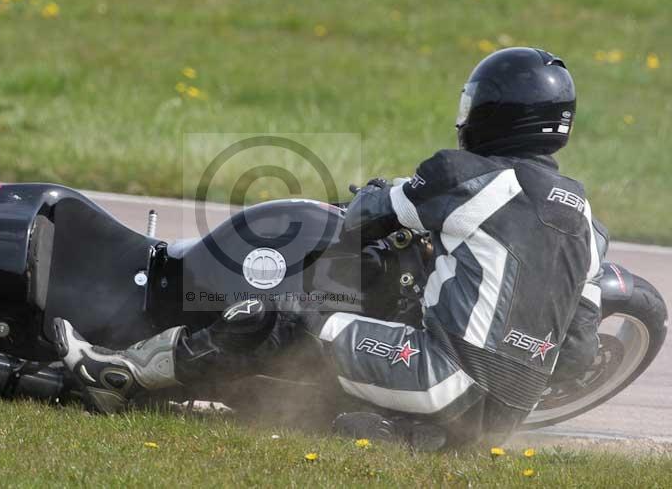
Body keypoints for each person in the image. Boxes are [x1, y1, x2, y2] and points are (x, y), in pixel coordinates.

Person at [53, 47, 607, 447]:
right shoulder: (587, 222)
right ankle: (404, 432)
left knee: (279, 320)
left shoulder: (464, 177)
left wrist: (333, 283)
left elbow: (367, 212)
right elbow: (579, 351)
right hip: (504, 418)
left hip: (441, 377)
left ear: (491, 114)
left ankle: (121, 376)